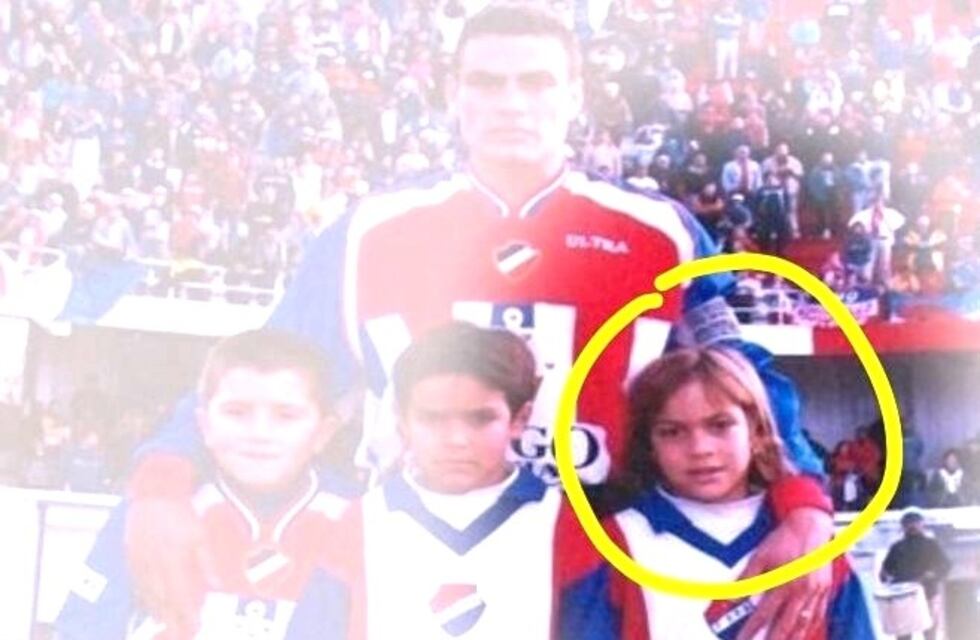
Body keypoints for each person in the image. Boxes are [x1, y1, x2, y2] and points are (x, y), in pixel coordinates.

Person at [125, 5, 833, 637]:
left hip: (594, 563)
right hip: (415, 556)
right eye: (488, 83)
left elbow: (743, 380)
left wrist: (804, 502)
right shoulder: (370, 233)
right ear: (452, 95)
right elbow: (262, 371)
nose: (512, 103)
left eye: (536, 82)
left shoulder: (662, 234)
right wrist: (162, 478)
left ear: (576, 95)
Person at [56, 330, 359, 639]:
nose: (260, 432)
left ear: (323, 433)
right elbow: (82, 627)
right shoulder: (153, 511)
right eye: (237, 412)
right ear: (203, 425)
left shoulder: (358, 519)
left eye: (286, 416)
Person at [565, 347, 874, 639]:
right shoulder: (615, 543)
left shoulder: (811, 544)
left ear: (756, 431)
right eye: (672, 432)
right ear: (649, 445)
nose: (700, 449)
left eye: (720, 425)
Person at [880, 510, 952, 640]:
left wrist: (933, 574)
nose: (912, 526)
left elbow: (945, 565)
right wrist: (884, 576)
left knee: (929, 631)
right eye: (908, 524)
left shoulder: (931, 544)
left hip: (927, 593)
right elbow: (886, 569)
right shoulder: (897, 547)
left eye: (915, 523)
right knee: (903, 633)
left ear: (922, 524)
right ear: (903, 527)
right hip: (903, 597)